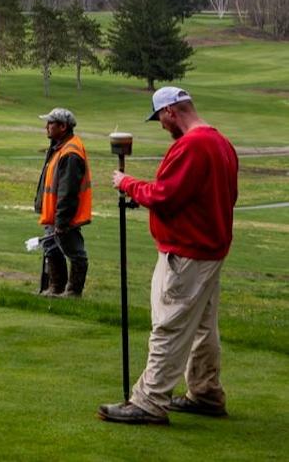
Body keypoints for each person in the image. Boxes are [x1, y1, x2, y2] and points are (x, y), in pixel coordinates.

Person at [99, 87, 239, 425]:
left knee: (169, 323)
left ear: (171, 111)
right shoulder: (221, 143)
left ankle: (149, 401)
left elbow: (164, 195)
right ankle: (205, 392)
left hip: (187, 251)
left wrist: (127, 183)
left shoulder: (191, 145)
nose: (161, 125)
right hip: (210, 249)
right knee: (203, 327)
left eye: (160, 117)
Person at [34, 107, 91, 298]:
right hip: (53, 214)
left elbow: (67, 192)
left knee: (75, 252)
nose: (46, 127)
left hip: (63, 216)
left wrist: (61, 220)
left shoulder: (70, 152)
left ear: (63, 126)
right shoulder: (60, 147)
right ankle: (56, 288)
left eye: (50, 123)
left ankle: (73, 292)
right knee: (51, 248)